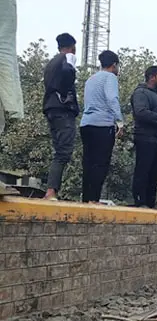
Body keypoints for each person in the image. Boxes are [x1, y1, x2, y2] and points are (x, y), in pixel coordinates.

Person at [79, 49, 122, 204]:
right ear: (114, 64)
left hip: (86, 123)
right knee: (101, 163)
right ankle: (94, 198)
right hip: (102, 124)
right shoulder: (110, 77)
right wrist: (120, 121)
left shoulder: (91, 79)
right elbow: (112, 99)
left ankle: (86, 198)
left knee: (88, 162)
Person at [42, 33, 79, 201]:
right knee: (63, 152)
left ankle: (51, 190)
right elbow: (67, 75)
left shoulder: (51, 62)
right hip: (62, 109)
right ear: (72, 47)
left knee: (59, 150)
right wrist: (65, 95)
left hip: (50, 108)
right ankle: (51, 191)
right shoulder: (67, 59)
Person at [131, 65, 157, 208]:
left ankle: (150, 203)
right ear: (152, 77)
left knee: (155, 174)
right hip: (145, 138)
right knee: (143, 171)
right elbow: (141, 112)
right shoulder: (141, 93)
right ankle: (140, 202)